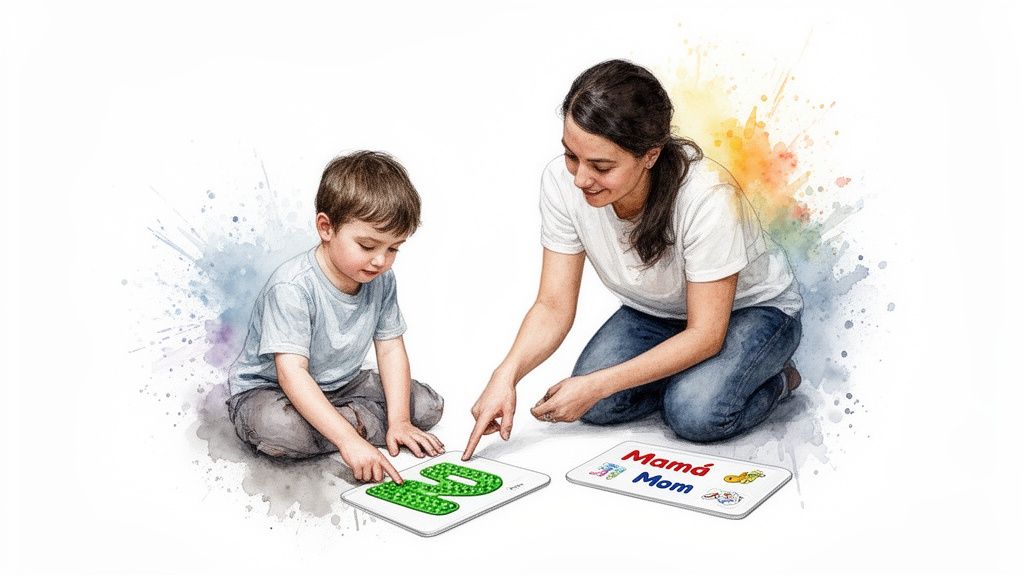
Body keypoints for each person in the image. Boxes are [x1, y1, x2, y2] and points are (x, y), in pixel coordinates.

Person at [463, 60, 803, 460]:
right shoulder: (561, 183)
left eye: (601, 166)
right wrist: (506, 376)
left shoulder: (707, 197)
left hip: (751, 312)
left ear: (650, 156)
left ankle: (780, 378)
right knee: (599, 408)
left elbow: (706, 334)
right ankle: (686, 373)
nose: (580, 179)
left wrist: (600, 383)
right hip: (656, 314)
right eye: (572, 156)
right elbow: (553, 305)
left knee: (694, 414)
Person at [227, 151, 444, 483]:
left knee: (427, 406)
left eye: (393, 249)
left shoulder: (381, 280)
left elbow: (390, 349)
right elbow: (292, 376)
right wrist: (349, 440)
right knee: (275, 427)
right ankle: (351, 427)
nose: (380, 261)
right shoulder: (292, 287)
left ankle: (344, 423)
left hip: (341, 385)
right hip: (273, 392)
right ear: (326, 228)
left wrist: (400, 420)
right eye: (367, 245)